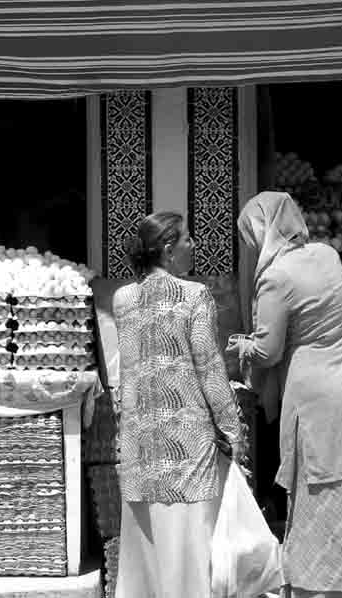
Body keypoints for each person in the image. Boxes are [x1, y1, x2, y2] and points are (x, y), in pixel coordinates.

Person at [228, 191, 342, 598]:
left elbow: (269, 350)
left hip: (318, 399)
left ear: (262, 232)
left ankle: (318, 588)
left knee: (319, 492)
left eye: (250, 237)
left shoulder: (276, 277)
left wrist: (241, 346)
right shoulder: (327, 255)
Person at [112, 211, 243, 598]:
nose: (194, 245)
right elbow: (210, 368)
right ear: (169, 250)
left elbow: (129, 374)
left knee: (147, 562)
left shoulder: (123, 299)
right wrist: (232, 429)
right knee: (188, 554)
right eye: (187, 239)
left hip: (139, 447)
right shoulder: (194, 295)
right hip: (187, 448)